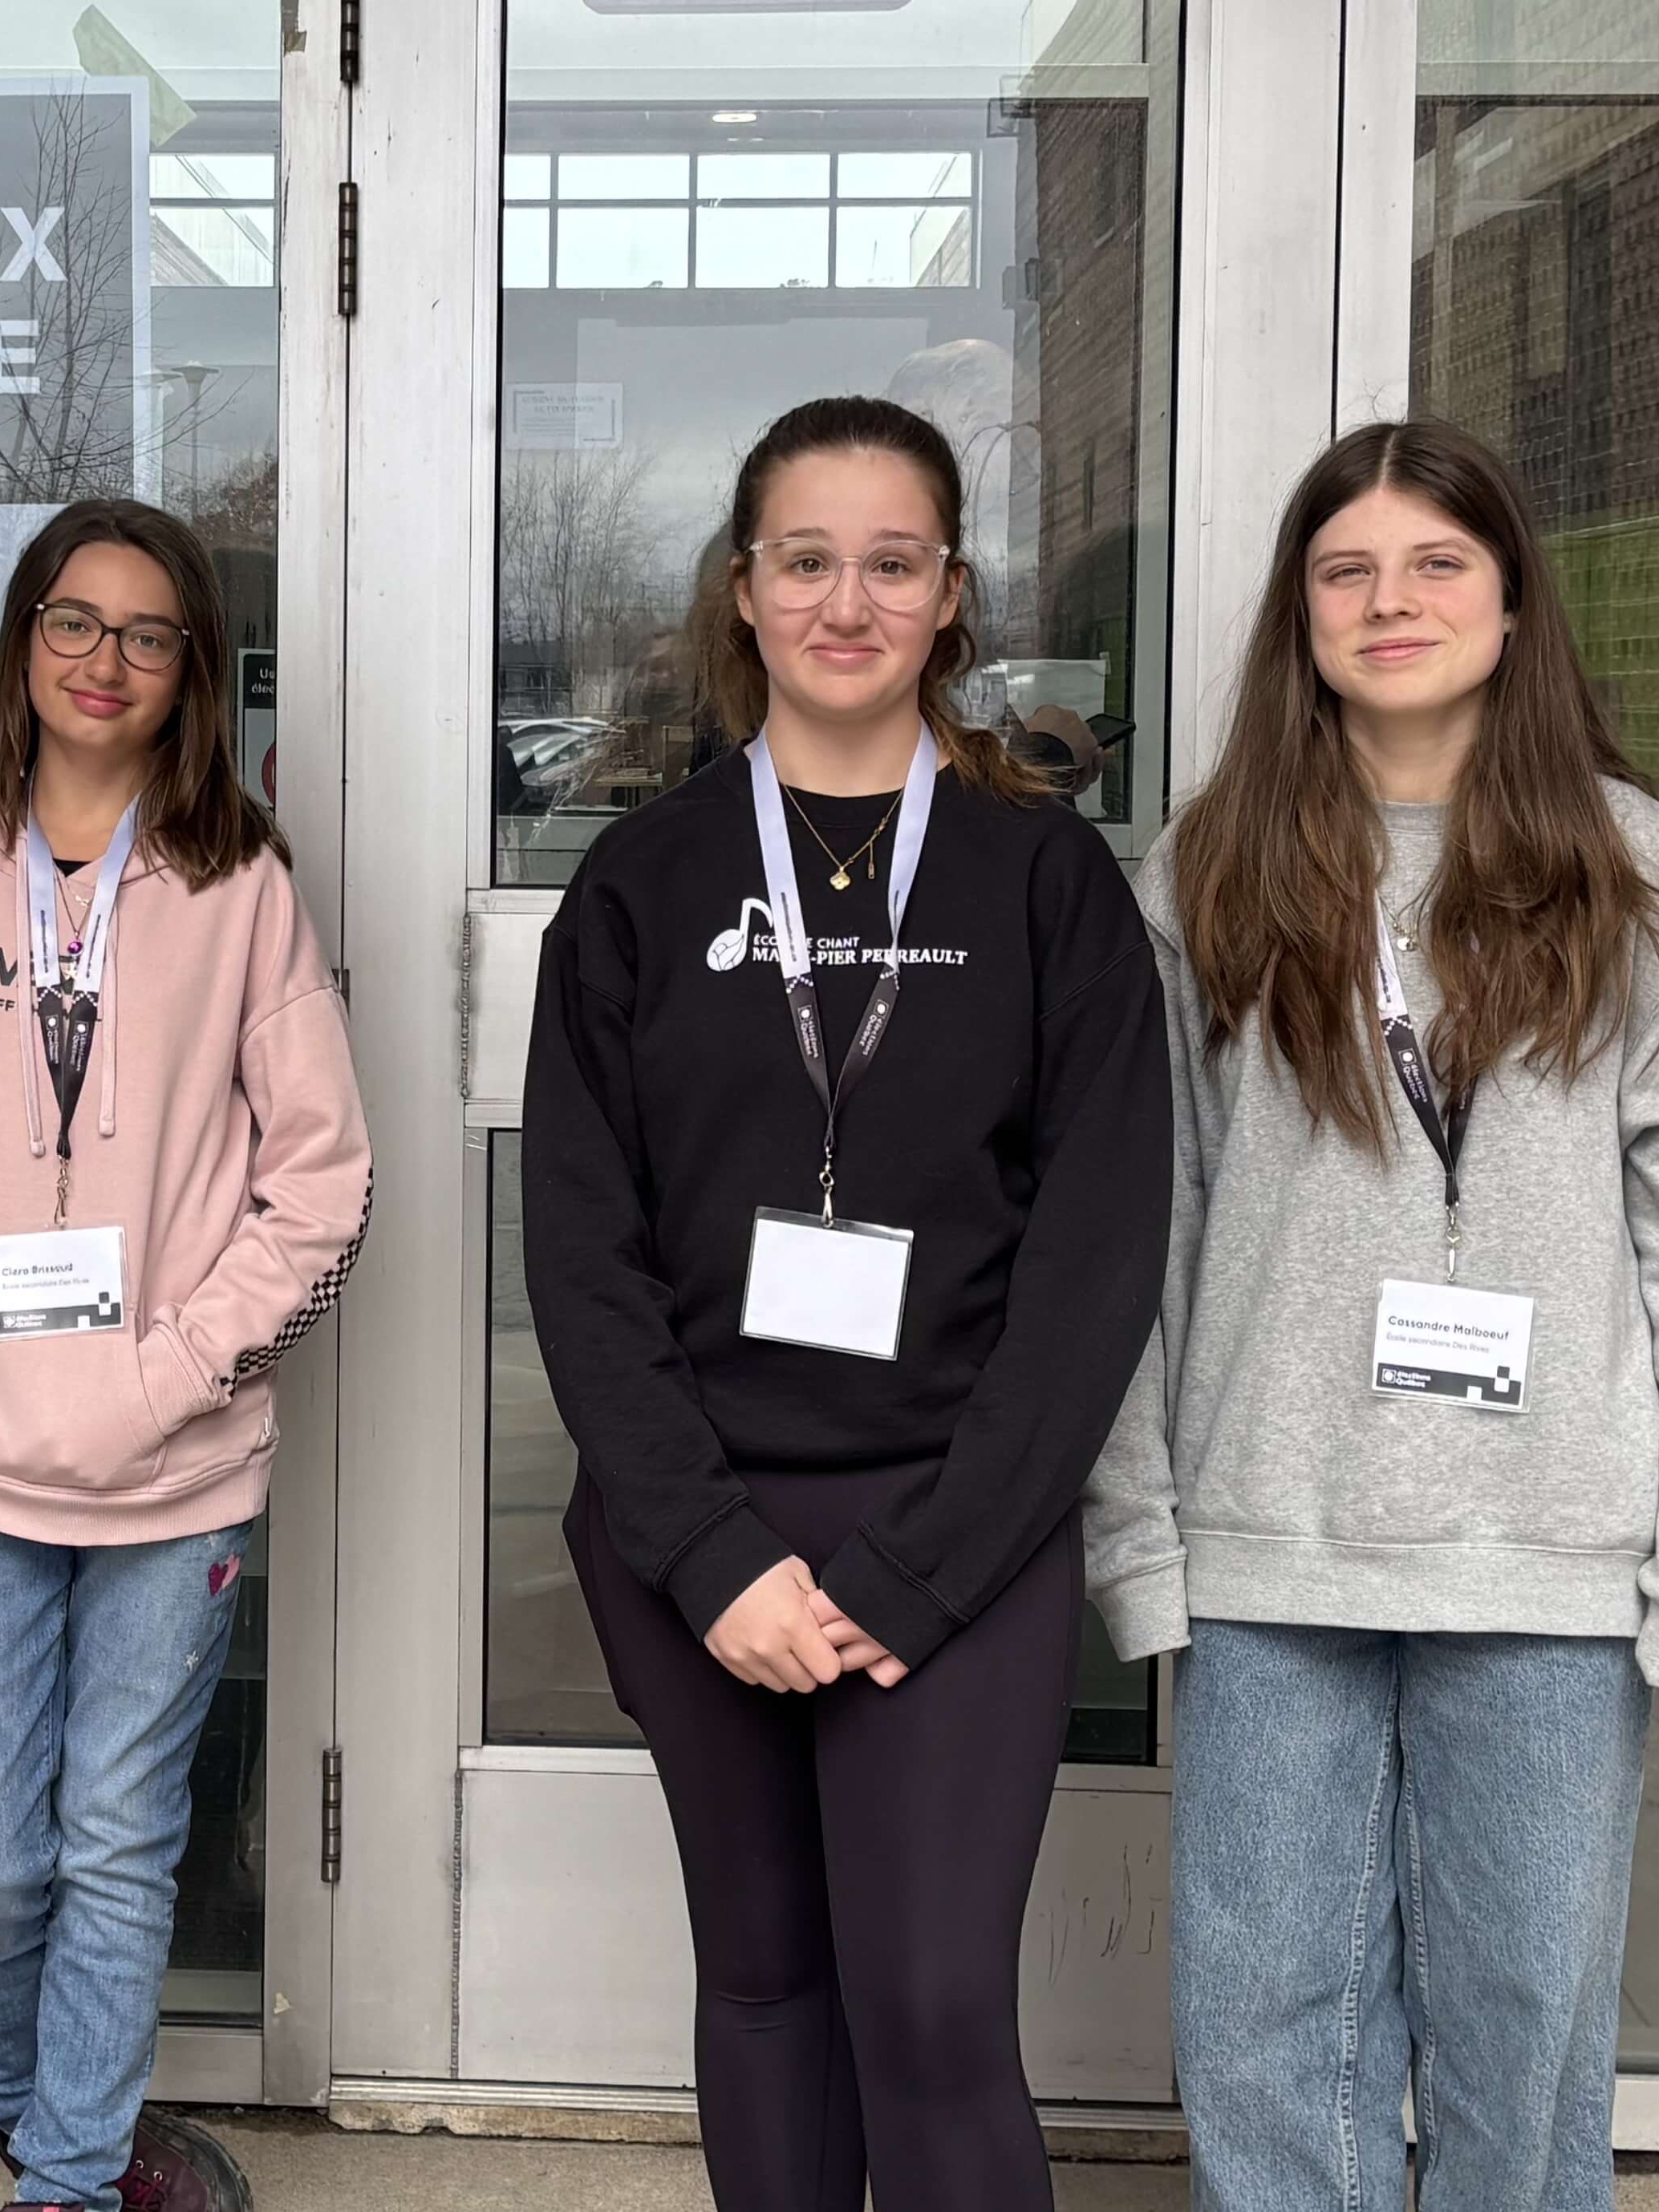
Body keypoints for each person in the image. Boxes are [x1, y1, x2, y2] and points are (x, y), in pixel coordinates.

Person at [1084, 419, 1659, 2210]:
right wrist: (1139, 1532)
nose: (1391, 602)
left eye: (1435, 562)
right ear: (1297, 614)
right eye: (1345, 569)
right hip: (1269, 1542)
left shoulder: (1634, 871)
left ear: (1513, 594)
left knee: (1523, 2012)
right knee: (1260, 2014)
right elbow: (1135, 1235)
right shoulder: (1208, 871)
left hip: (1546, 1545)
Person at [520, 396, 1170, 2211]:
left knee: (935, 2005)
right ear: (744, 590)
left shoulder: (1045, 882)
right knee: (768, 1982)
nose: (845, 600)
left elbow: (1094, 1258)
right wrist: (708, 1551)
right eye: (805, 560)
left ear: (951, 596)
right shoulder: (640, 884)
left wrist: (922, 1566)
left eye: (892, 563)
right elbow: (581, 1250)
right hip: (694, 1536)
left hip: (955, 1532)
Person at [0, 500, 370, 2212]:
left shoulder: (238, 884)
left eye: (149, 631)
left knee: (115, 1842)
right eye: (73, 620)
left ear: (192, 671)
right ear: (23, 641)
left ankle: (68, 2184)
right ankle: (63, 2127)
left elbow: (328, 1181)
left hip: (175, 1468)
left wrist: (172, 1367)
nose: (106, 660)